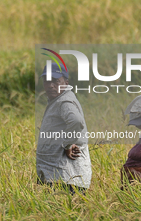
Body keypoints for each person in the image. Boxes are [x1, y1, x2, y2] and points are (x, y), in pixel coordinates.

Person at [36, 63, 92, 194]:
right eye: (47, 81)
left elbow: (76, 121)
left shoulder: (64, 102)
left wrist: (67, 144)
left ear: (65, 82)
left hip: (67, 178)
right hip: (59, 176)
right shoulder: (57, 100)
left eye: (55, 81)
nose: (50, 85)